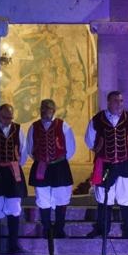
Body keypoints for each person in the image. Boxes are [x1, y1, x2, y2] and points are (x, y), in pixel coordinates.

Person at [85, 91, 128, 239]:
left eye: (121, 101)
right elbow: (89, 141)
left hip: (126, 164)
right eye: (116, 101)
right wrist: (102, 152)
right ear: (108, 102)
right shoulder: (97, 119)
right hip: (105, 165)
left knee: (127, 197)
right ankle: (102, 230)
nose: (119, 104)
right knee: (104, 197)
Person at [23, 99, 75, 239]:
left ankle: (59, 229)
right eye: (43, 108)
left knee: (61, 197)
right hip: (41, 166)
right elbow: (30, 149)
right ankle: (46, 228)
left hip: (59, 167)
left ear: (54, 110)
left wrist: (56, 160)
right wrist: (42, 159)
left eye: (48, 108)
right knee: (43, 197)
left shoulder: (64, 126)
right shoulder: (34, 127)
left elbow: (70, 149)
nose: (45, 111)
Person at [0, 104, 27, 254]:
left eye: (10, 118)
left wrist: (15, 165)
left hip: (13, 173)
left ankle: (13, 245)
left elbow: (24, 151)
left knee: (14, 208)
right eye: (5, 117)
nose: (8, 120)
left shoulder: (18, 130)